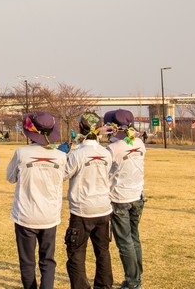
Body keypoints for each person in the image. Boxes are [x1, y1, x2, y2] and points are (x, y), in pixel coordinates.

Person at [6, 111, 68, 289]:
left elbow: (10, 177)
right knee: (48, 260)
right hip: (49, 216)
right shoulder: (61, 156)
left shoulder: (21, 153)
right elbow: (62, 177)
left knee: (27, 262)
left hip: (25, 215)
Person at [62, 112, 114, 289]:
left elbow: (63, 174)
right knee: (103, 252)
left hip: (81, 210)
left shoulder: (78, 154)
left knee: (76, 253)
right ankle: (104, 285)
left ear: (80, 129)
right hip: (103, 209)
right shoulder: (106, 153)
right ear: (99, 130)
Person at [105, 110, 146, 289]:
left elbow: (104, 171)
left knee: (125, 242)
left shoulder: (113, 149)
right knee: (134, 237)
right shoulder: (139, 143)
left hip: (119, 198)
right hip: (137, 195)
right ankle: (137, 277)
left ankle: (133, 281)